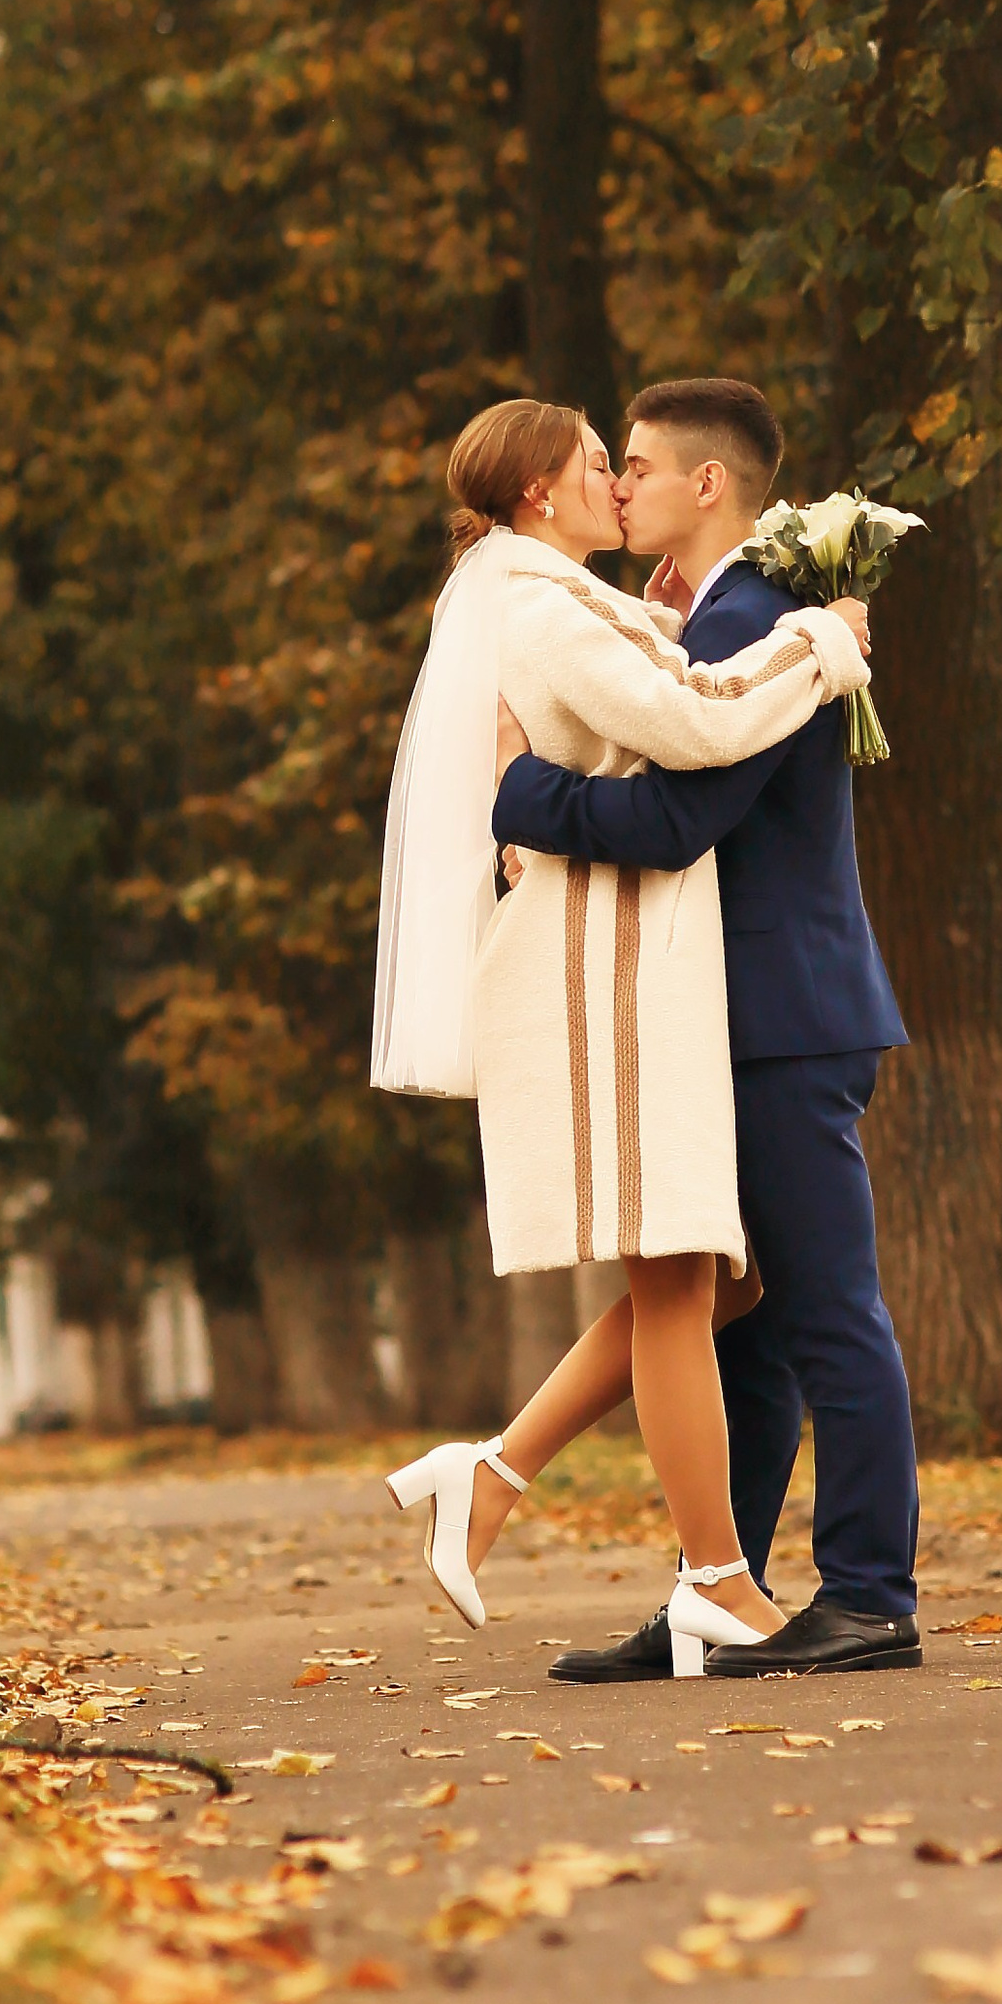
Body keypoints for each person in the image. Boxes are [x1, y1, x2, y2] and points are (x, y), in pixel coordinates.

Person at [370, 397, 871, 1678]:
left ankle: (492, 1471)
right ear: (540, 491)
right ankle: (714, 1577)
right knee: (678, 1278)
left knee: (717, 1281)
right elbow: (697, 718)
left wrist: (674, 614)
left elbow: (647, 668)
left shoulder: (541, 596)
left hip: (621, 962)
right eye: (600, 462)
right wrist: (822, 641)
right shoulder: (545, 602)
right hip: (610, 972)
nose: (616, 478)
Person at [495, 376, 921, 1681]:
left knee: (828, 1313)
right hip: (745, 1012)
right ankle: (716, 1591)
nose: (616, 486)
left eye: (634, 465)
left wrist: (523, 795)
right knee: (745, 1325)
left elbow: (684, 821)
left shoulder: (750, 611)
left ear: (707, 486)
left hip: (782, 1010)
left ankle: (869, 1597)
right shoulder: (708, 610)